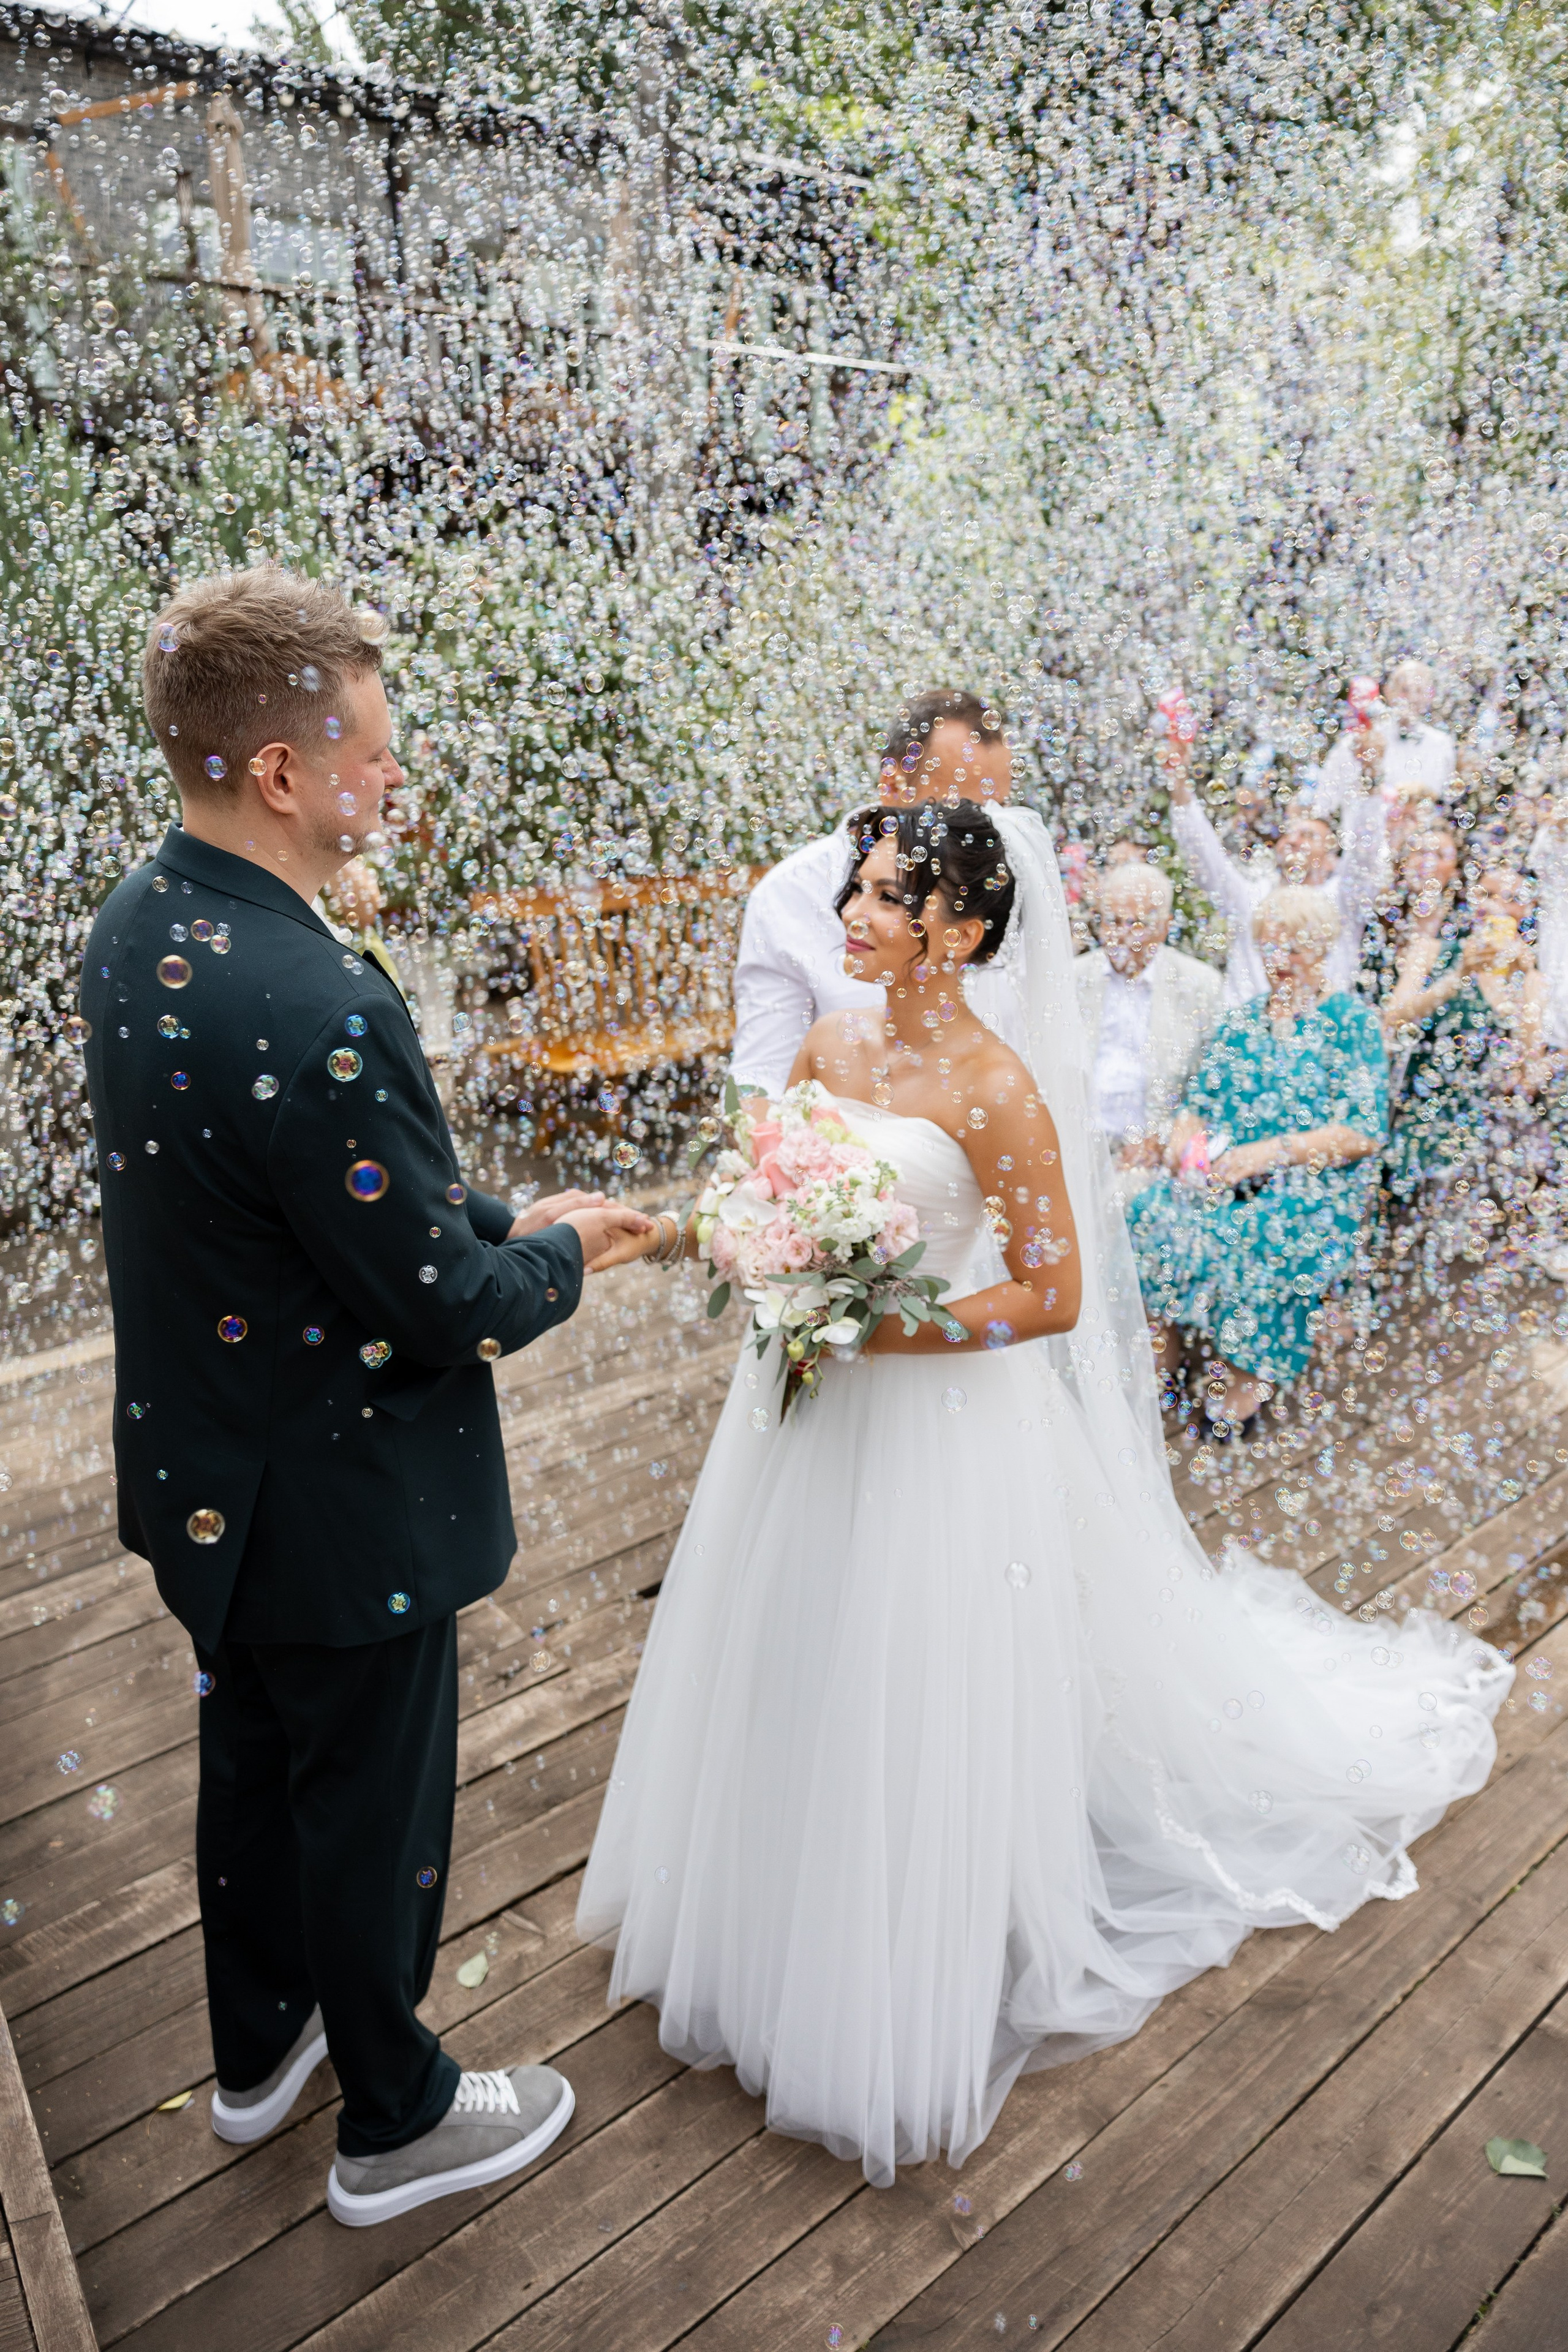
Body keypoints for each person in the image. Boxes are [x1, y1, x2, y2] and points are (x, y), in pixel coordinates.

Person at [576, 805, 1506, 2190]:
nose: (851, 916)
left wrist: (887, 1328)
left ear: (958, 931)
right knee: (787, 1643)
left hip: (932, 1423)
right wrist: (674, 1235)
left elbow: (1054, 1291)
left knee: (902, 1672)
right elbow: (767, 1208)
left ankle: (886, 1954)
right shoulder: (828, 1046)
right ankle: (765, 1911)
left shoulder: (997, 1087)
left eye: (884, 898)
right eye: (854, 890)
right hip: (798, 1407)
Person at [80, 567, 651, 2229]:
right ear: (279, 769)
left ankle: (259, 2055)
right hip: (343, 1508)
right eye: (373, 747)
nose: (395, 773)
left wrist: (497, 1214)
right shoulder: (319, 995)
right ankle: (395, 2119)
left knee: (255, 1770)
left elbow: (305, 1199)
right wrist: (562, 1257)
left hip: (211, 1479)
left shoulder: (140, 922)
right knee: (368, 1807)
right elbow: (443, 1304)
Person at [1125, 889, 1389, 1431]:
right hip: (1226, 1175)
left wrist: (1270, 1153)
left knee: (1259, 1232)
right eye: (1271, 947)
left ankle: (1246, 1373)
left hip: (1312, 1183)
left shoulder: (1351, 1023)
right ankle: (1165, 1353)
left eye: (1296, 947)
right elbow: (1197, 1105)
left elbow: (1363, 1131)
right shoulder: (1241, 1022)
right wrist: (1185, 1144)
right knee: (1149, 1210)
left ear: (1323, 948)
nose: (1281, 960)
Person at [729, 688, 1016, 1096]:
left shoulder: (1003, 884)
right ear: (893, 785)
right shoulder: (787, 897)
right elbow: (762, 1076)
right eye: (957, 810)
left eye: (999, 809)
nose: (984, 833)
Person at [1383, 861, 1568, 1282]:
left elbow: (1526, 1072)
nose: (1497, 906)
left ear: (1529, 911)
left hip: (1487, 1129)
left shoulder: (1531, 976)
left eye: (1513, 898)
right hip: (1421, 1112)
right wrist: (1458, 976)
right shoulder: (1431, 950)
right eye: (1487, 894)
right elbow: (1394, 1018)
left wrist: (1525, 983)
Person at [1164, 741, 1387, 1006]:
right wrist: (1179, 782)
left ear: (1331, 861)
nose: (1293, 841)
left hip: (1322, 1021)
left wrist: (1371, 775)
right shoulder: (1252, 896)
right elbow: (1204, 856)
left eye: (1308, 836)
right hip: (1250, 1024)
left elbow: (1365, 854)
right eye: (1288, 834)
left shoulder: (1342, 900)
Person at [1074, 862, 1221, 1182]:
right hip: (1076, 1147)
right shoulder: (1073, 979)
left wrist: (1163, 1137)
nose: (1120, 935)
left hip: (1156, 1162)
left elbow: (1211, 1084)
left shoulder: (1200, 987)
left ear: (1165, 927)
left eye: (1136, 924)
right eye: (1112, 921)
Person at [1310, 661, 1457, 820]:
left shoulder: (1441, 744)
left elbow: (1441, 800)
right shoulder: (1358, 740)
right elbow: (1326, 799)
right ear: (1388, 691)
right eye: (1405, 690)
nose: (1413, 698)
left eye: (1420, 691)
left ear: (1431, 695)